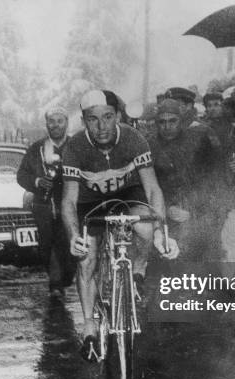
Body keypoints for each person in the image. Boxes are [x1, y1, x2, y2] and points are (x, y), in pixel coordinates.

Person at [61, 89, 179, 361]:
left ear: (117, 116)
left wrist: (161, 231)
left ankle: (137, 273)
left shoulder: (133, 139)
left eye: (107, 117)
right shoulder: (74, 147)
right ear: (83, 120)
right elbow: (68, 200)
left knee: (145, 228)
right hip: (89, 203)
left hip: (128, 195)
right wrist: (73, 236)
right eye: (93, 119)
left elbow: (152, 190)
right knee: (86, 259)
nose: (101, 127)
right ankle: (89, 329)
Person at [17, 106, 76, 298]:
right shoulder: (37, 149)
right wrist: (37, 181)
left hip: (72, 205)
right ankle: (55, 284)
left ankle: (65, 278)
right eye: (52, 121)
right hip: (44, 206)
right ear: (47, 124)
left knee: (70, 245)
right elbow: (21, 175)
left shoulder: (77, 146)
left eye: (60, 121)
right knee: (48, 246)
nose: (56, 125)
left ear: (66, 123)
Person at [147, 98, 211, 260]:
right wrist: (167, 208)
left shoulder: (197, 141)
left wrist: (194, 210)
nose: (167, 127)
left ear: (181, 121)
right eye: (162, 122)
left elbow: (209, 179)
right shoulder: (150, 146)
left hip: (196, 210)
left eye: (172, 121)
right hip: (162, 211)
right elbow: (147, 186)